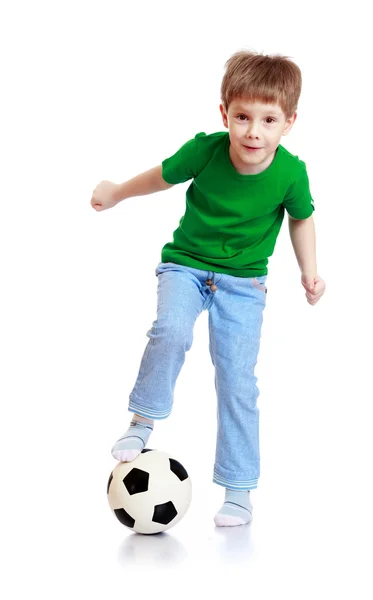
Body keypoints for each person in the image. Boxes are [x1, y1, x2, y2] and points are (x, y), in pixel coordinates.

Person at [91, 49, 326, 527]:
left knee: (237, 380)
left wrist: (309, 270)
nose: (252, 132)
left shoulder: (291, 173)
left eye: (267, 120)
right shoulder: (207, 150)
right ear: (225, 114)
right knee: (171, 330)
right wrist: (116, 192)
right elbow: (160, 176)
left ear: (289, 123)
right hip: (187, 267)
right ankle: (142, 421)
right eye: (242, 117)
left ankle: (238, 491)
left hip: (244, 285)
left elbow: (302, 219)